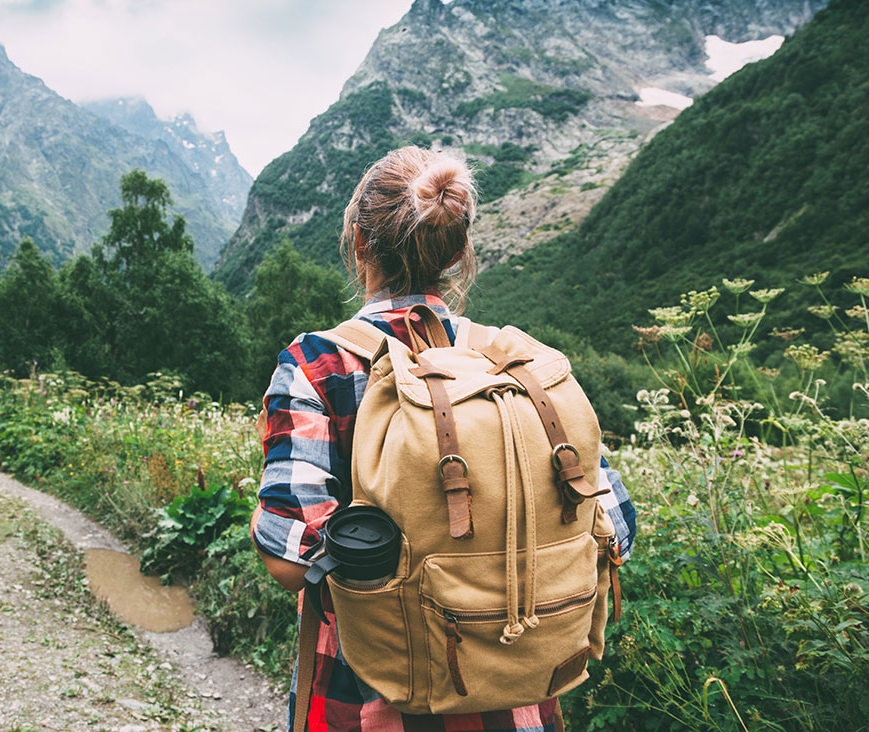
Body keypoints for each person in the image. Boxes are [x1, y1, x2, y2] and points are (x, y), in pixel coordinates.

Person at [250, 145, 636, 732]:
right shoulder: (513, 365)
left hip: (373, 697)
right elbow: (616, 528)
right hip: (521, 695)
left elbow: (286, 555)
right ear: (458, 252)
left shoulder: (319, 365)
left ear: (358, 241)